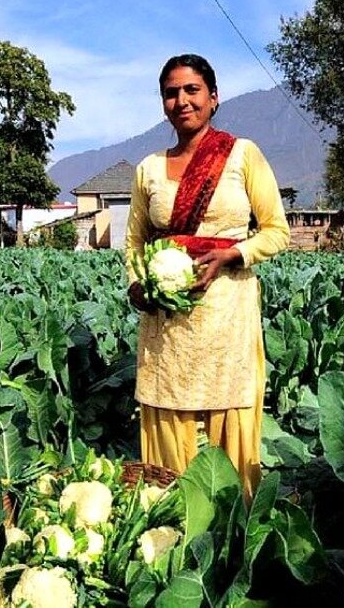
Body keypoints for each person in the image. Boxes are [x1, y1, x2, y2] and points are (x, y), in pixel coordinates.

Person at [125, 53, 290, 498]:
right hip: (166, 328)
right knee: (168, 417)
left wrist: (231, 255)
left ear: (213, 98)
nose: (181, 100)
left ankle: (234, 531)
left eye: (192, 90)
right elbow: (134, 243)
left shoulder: (241, 154)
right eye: (171, 92)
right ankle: (169, 527)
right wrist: (138, 285)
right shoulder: (148, 169)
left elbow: (277, 232)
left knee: (228, 420)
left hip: (226, 318)